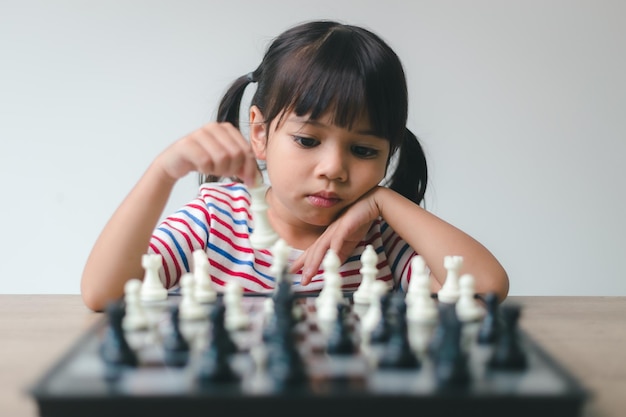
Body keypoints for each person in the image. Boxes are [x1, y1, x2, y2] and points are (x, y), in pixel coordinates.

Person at [81, 20, 509, 312]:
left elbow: (486, 285)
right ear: (261, 134)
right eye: (307, 140)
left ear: (389, 152)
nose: (334, 168)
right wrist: (162, 171)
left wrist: (382, 202)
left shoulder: (378, 239)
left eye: (364, 151)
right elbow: (103, 293)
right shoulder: (216, 220)